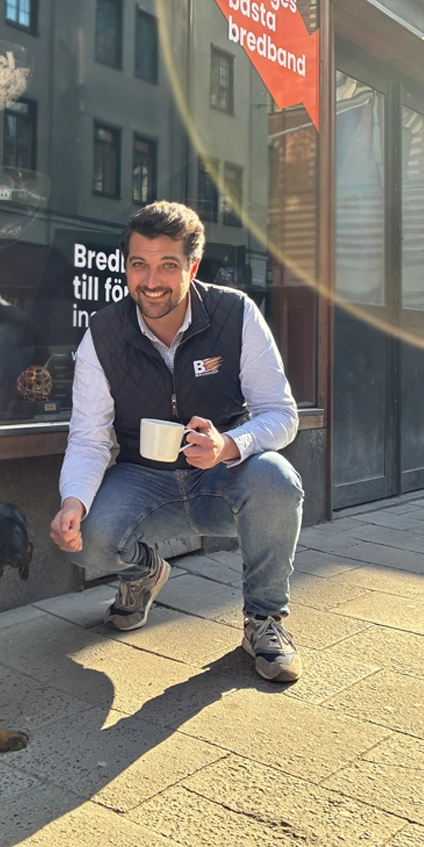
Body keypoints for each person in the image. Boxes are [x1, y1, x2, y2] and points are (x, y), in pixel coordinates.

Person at [50, 201, 304, 683]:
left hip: (223, 478)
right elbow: (88, 438)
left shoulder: (235, 314)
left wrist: (229, 445)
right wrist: (72, 502)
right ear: (126, 266)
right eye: (139, 264)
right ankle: (143, 574)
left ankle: (264, 620)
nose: (151, 281)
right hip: (144, 479)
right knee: (86, 541)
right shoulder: (103, 333)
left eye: (168, 265)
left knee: (276, 479)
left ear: (193, 266)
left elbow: (281, 413)